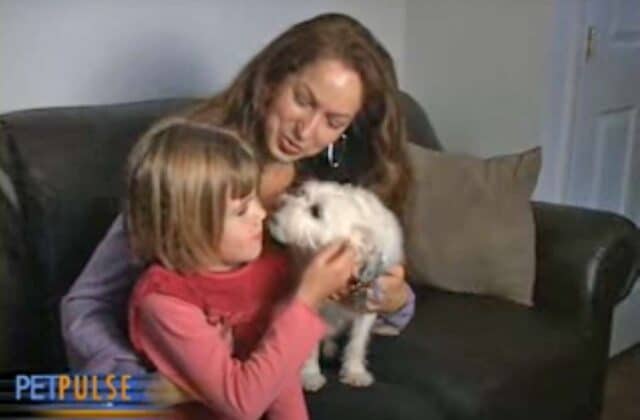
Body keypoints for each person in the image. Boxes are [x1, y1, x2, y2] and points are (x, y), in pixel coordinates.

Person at [61, 12, 415, 376]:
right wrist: (134, 386)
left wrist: (394, 298)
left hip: (272, 375)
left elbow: (374, 293)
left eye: (333, 122)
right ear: (273, 80)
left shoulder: (330, 185)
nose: (306, 131)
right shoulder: (198, 167)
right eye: (303, 100)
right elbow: (88, 302)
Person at [126, 119, 355, 419]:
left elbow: (280, 370)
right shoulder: (165, 302)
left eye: (255, 200)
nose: (261, 215)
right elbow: (240, 404)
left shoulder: (266, 267)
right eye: (241, 210)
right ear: (187, 223)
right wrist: (306, 299)